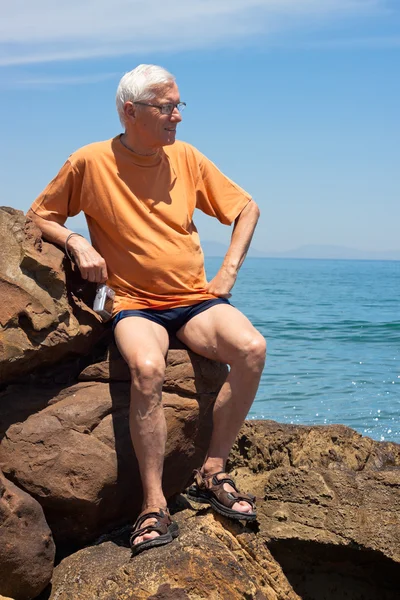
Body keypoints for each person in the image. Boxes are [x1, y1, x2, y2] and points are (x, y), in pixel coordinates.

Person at [28, 64, 266, 556]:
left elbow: (246, 208)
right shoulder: (90, 161)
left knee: (251, 348)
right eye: (166, 107)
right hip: (133, 306)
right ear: (130, 110)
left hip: (194, 300)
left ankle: (213, 470)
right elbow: (38, 217)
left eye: (179, 105)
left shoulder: (187, 158)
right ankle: (153, 504)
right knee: (147, 368)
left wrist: (228, 274)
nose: (177, 116)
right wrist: (75, 240)